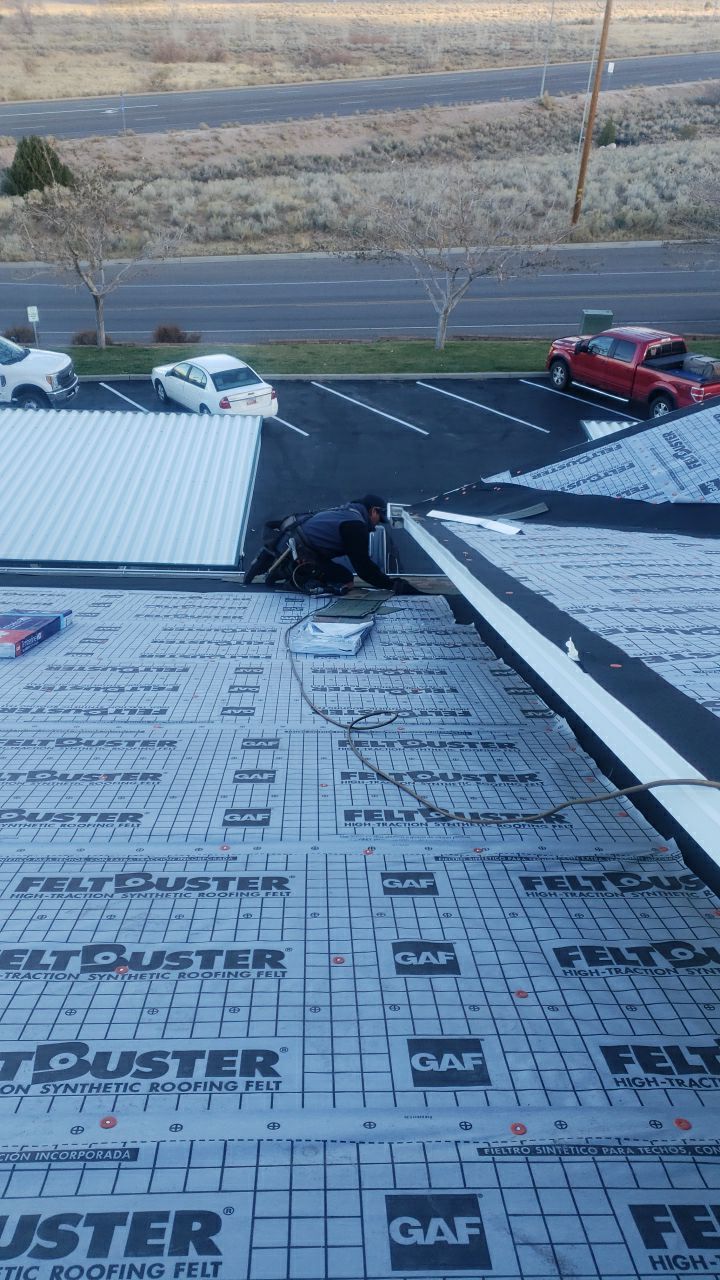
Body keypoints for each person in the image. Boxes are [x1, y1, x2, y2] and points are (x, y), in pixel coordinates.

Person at [244, 494, 421, 594]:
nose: (377, 524)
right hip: (300, 553)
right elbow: (363, 567)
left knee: (336, 572)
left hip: (290, 543)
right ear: (373, 510)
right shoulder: (355, 525)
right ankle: (295, 576)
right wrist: (391, 584)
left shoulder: (346, 511)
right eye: (379, 519)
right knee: (345, 578)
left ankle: (277, 566)